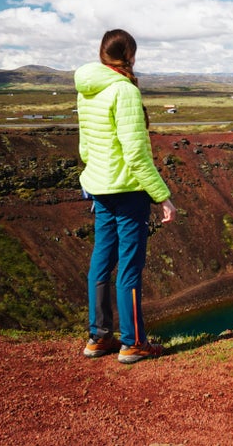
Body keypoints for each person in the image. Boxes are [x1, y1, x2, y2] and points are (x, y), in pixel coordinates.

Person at [75, 29, 177, 364]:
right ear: (129, 54)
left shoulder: (87, 88)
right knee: (130, 267)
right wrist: (162, 196)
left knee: (101, 262)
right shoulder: (124, 90)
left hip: (100, 187)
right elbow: (136, 154)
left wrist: (95, 177)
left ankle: (98, 337)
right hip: (128, 190)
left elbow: (85, 145)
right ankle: (133, 342)